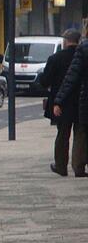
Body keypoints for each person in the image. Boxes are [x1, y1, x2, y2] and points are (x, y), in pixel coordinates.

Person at [42, 29, 84, 177]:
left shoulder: (55, 58)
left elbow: (44, 81)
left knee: (62, 135)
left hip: (61, 103)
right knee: (80, 134)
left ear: (65, 41)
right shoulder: (83, 55)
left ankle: (61, 166)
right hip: (80, 101)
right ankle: (79, 166)